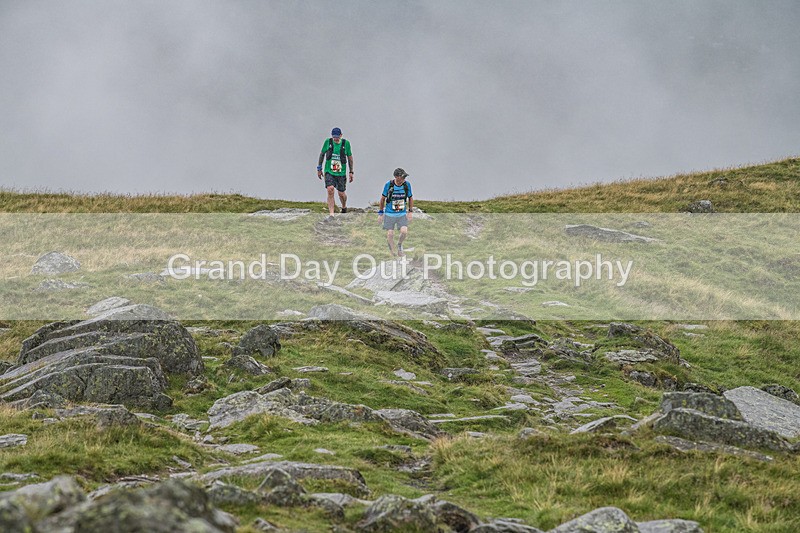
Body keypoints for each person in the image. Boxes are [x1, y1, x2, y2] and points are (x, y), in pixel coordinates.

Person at [317, 127, 354, 218]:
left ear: (341, 135)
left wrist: (351, 172)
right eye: (334, 137)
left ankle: (344, 207)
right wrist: (319, 168)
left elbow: (350, 158)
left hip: (341, 173)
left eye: (337, 137)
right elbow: (322, 154)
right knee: (330, 189)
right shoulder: (328, 142)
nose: (336, 139)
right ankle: (331, 214)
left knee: (341, 193)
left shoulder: (346, 144)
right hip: (329, 171)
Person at [378, 168, 413, 257]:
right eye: (402, 177)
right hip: (390, 214)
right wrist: (381, 214)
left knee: (404, 232)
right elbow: (382, 199)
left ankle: (400, 245)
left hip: (401, 214)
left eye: (405, 177)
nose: (404, 179)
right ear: (396, 177)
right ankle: (393, 252)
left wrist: (410, 212)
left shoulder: (407, 185)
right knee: (390, 234)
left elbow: (410, 198)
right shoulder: (389, 185)